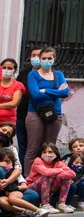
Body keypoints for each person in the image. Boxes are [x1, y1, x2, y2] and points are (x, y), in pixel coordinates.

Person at [24, 47, 70, 175]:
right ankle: (29, 178)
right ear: (39, 59)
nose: (46, 61)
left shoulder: (59, 74)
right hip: (35, 113)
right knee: (32, 149)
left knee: (50, 148)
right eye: (43, 58)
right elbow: (35, 95)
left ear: (54, 59)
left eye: (49, 58)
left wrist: (46, 91)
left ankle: (48, 177)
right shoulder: (33, 74)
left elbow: (66, 92)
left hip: (55, 114)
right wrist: (56, 92)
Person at [0, 122, 39, 207]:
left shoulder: (11, 149)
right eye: (3, 130)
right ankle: (10, 204)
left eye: (8, 133)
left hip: (10, 185)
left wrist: (7, 182)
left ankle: (7, 204)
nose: (4, 133)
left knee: (33, 195)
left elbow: (18, 168)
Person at [0, 148, 49, 217]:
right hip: (3, 196)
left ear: (12, 162)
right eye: (2, 161)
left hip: (14, 193)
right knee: (1, 201)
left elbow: (24, 186)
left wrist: (13, 188)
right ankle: (23, 211)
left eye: (8, 162)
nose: (4, 164)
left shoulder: (15, 173)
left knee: (12, 198)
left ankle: (38, 210)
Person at [26, 142, 75, 214]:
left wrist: (59, 175)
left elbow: (72, 173)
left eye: (50, 152)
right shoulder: (38, 160)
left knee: (66, 178)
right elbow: (46, 172)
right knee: (48, 176)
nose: (47, 154)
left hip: (48, 188)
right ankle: (45, 204)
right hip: (32, 187)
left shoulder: (58, 163)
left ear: (55, 153)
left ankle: (61, 204)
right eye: (44, 152)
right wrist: (60, 170)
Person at [16, 47, 41, 164]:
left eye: (39, 55)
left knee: (39, 145)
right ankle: (22, 173)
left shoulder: (52, 74)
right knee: (23, 144)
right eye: (33, 55)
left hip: (41, 115)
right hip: (22, 114)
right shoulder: (23, 74)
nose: (36, 58)